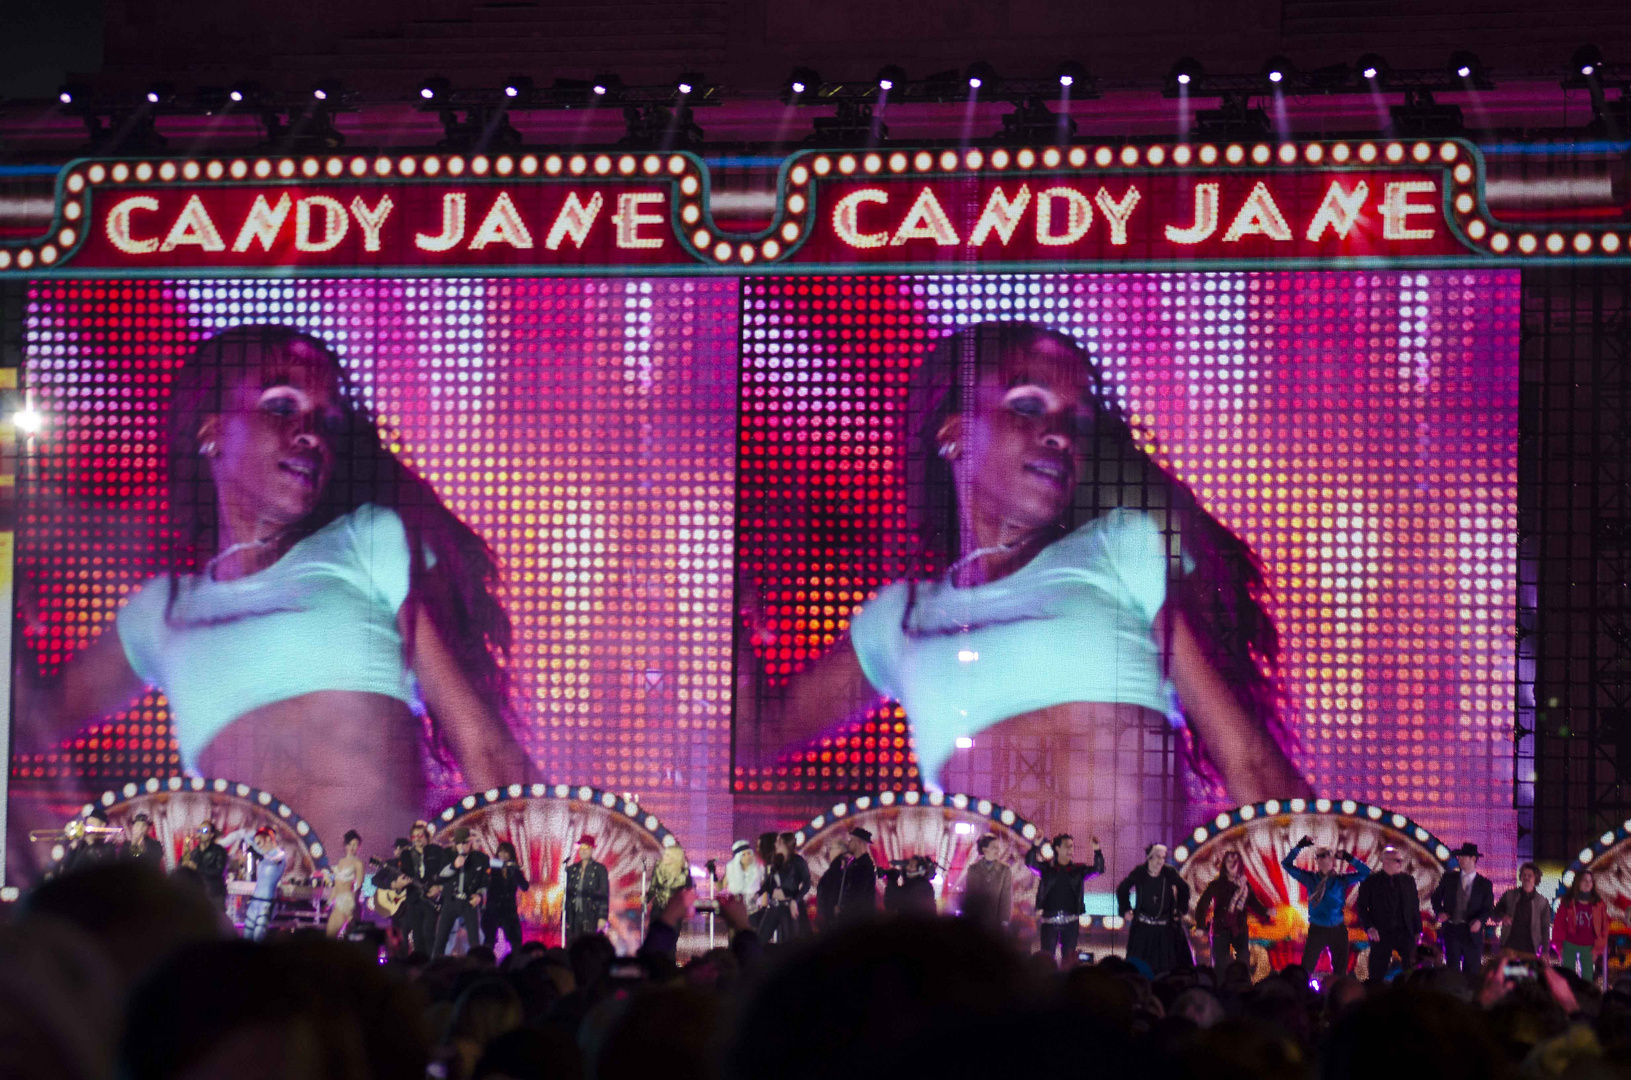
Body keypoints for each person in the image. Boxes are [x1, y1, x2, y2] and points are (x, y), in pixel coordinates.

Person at [739, 323, 1310, 877]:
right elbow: (756, 737)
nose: (1061, 433)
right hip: (994, 956)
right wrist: (729, 608)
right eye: (1029, 405)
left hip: (1137, 947)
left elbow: (1249, 763)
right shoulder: (904, 617)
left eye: (1076, 419)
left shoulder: (1120, 548)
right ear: (954, 432)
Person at [13, 325, 531, 853]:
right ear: (211, 431)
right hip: (237, 927)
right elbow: (27, 728)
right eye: (282, 406)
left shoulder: (367, 541)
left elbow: (484, 749)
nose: (312, 432)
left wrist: (544, 893)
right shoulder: (162, 610)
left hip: (374, 916)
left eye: (328, 418)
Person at [1281, 836, 1369, 977]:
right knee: (1306, 968)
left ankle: (1338, 994)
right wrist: (1299, 846)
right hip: (1317, 929)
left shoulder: (1341, 880)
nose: (1320, 858)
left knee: (1340, 971)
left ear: (1332, 860)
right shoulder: (1310, 878)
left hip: (1337, 929)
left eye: (1324, 855)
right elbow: (1286, 864)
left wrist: (1348, 857)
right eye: (1318, 856)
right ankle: (1303, 994)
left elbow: (1366, 873)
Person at [1026, 833, 1105, 964]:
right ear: (1057, 848)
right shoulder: (1048, 869)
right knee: (1046, 958)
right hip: (1049, 921)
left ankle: (1067, 982)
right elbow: (1030, 863)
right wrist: (1035, 845)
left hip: (1071, 921)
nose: (1071, 849)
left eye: (1072, 846)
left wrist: (1097, 849)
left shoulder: (1078, 870)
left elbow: (1099, 869)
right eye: (1067, 846)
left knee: (1069, 959)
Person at [1116, 842, 1192, 975]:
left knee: (1167, 968)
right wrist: (1125, 910)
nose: (1161, 861)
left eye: (1163, 858)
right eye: (1158, 857)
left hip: (1165, 930)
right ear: (1149, 858)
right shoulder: (1140, 872)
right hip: (1143, 930)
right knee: (1138, 967)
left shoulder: (1169, 872)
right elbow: (1122, 889)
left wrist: (1179, 910)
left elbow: (1184, 888)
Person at [1354, 846, 1421, 982]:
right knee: (1377, 970)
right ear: (1385, 861)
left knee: (1411, 967)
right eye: (1397, 860)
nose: (1400, 864)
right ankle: (1375, 992)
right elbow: (1361, 907)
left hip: (1404, 931)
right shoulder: (1371, 881)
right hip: (1381, 932)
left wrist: (1417, 930)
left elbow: (1414, 907)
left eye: (1401, 861)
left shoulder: (1408, 881)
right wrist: (1369, 927)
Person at [1430, 842, 1494, 978]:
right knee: (1452, 972)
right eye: (1459, 857)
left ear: (1473, 859)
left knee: (1472, 973)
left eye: (1463, 857)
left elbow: (1488, 908)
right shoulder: (1448, 878)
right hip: (1452, 930)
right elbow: (1435, 898)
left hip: (1471, 933)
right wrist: (1439, 911)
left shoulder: (1485, 884)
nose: (1460, 860)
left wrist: (1480, 921)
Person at [1195, 848, 1269, 967]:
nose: (1232, 863)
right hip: (1220, 929)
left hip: (1239, 928)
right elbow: (1202, 904)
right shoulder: (1216, 885)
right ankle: (1220, 984)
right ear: (1224, 864)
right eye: (1229, 861)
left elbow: (1254, 903)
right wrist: (1200, 925)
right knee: (1220, 963)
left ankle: (1242, 984)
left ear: (1240, 864)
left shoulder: (1245, 886)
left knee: (1243, 960)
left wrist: (1266, 912)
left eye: (1235, 861)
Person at [390, 820, 447, 956]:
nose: (418, 839)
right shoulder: (406, 855)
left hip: (431, 899)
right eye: (414, 836)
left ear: (427, 836)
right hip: (414, 899)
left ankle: (433, 965)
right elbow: (403, 875)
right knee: (417, 937)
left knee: (429, 934)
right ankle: (420, 967)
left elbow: (445, 873)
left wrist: (439, 887)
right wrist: (398, 885)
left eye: (421, 835)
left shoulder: (437, 851)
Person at [433, 827, 489, 956]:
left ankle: (477, 967)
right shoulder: (447, 854)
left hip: (469, 902)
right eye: (460, 843)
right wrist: (454, 865)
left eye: (466, 842)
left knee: (474, 940)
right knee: (441, 938)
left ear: (470, 842)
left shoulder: (481, 858)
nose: (463, 846)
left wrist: (479, 896)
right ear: (455, 843)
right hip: (451, 900)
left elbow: (485, 882)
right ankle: (435, 966)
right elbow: (441, 875)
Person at [1552, 868, 1608, 984]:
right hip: (1569, 944)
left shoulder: (1599, 903)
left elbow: (1604, 927)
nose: (1588, 883)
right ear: (1577, 882)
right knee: (1568, 978)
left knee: (1587, 979)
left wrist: (1598, 949)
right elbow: (1558, 924)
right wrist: (1559, 946)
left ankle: (1584, 1001)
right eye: (1584, 880)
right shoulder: (1567, 901)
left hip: (1589, 946)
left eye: (1590, 881)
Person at [759, 833, 812, 942]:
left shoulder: (797, 861)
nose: (775, 844)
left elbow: (807, 883)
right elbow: (769, 882)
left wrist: (796, 900)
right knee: (760, 939)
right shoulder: (776, 860)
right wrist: (758, 893)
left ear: (784, 843)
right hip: (774, 905)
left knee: (789, 942)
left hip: (788, 907)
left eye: (778, 841)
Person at [1493, 862, 1552, 959]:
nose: (1526, 878)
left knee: (1526, 974)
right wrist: (1503, 916)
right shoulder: (1509, 895)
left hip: (1529, 949)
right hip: (1509, 947)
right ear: (1520, 877)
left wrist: (1545, 951)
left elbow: (1545, 928)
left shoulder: (1542, 902)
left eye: (1530, 875)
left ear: (1536, 878)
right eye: (1524, 875)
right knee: (1508, 973)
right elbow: (1494, 913)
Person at [959, 834, 1014, 932]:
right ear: (984, 850)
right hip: (976, 920)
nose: (997, 850)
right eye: (994, 847)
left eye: (998, 847)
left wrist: (1004, 921)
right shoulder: (973, 869)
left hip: (996, 922)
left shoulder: (1004, 870)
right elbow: (970, 895)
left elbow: (1006, 897)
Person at [482, 840, 529, 955]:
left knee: (516, 941)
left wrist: (515, 872)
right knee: (489, 941)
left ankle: (515, 965)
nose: (502, 855)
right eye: (500, 852)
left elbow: (525, 886)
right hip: (493, 908)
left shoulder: (514, 869)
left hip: (509, 909)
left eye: (506, 852)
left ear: (511, 854)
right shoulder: (492, 868)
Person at [244, 826, 288, 941]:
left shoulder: (280, 855)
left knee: (259, 936)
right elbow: (247, 836)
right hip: (255, 901)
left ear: (268, 839)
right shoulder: (264, 857)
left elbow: (272, 860)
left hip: (266, 903)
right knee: (247, 934)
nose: (259, 846)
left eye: (260, 842)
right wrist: (255, 832)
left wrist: (255, 847)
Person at [564, 834, 609, 944]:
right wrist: (564, 917)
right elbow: (567, 895)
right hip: (573, 914)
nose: (583, 851)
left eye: (586, 848)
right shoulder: (572, 869)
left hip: (590, 913)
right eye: (581, 848)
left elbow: (603, 894)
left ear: (592, 849)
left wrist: (602, 917)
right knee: (572, 944)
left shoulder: (599, 869)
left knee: (588, 944)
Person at [325, 830, 366, 937]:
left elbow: (359, 885)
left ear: (359, 847)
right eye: (350, 844)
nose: (352, 848)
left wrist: (353, 904)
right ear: (345, 845)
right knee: (330, 935)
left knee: (334, 935)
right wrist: (329, 901)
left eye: (355, 845)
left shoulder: (358, 863)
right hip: (338, 901)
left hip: (348, 901)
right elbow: (336, 886)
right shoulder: (341, 862)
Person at [181, 821, 231, 910]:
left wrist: (197, 867)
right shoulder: (194, 852)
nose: (200, 833)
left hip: (215, 894)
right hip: (198, 895)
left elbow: (218, 871)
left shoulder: (219, 850)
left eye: (204, 831)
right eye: (199, 831)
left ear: (211, 835)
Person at [836, 828, 879, 922]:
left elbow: (858, 894)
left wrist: (844, 908)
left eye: (851, 840)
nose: (849, 843)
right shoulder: (854, 863)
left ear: (859, 842)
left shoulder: (865, 866)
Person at [57, 810, 116, 876]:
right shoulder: (82, 844)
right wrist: (72, 850)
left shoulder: (108, 846)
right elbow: (65, 868)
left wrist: (90, 843)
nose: (88, 827)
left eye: (92, 824)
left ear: (102, 825)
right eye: (87, 824)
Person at [713, 839, 765, 907]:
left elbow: (765, 889)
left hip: (756, 905)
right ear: (738, 858)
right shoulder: (731, 871)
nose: (747, 856)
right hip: (739, 908)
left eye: (749, 853)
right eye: (744, 854)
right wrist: (713, 875)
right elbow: (720, 887)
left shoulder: (759, 869)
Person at [646, 845, 693, 914]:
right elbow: (653, 886)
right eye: (664, 854)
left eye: (667, 855)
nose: (664, 857)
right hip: (659, 907)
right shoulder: (659, 869)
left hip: (675, 909)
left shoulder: (684, 873)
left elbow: (688, 890)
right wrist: (647, 899)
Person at [815, 841, 847, 929]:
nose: (829, 852)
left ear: (840, 851)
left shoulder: (836, 872)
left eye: (832, 849)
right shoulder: (829, 874)